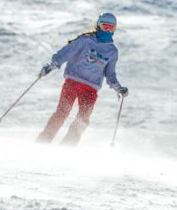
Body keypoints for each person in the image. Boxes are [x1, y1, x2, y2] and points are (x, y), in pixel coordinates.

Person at [36, 12, 128, 145]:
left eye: (111, 28)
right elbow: (66, 52)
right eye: (104, 27)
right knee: (62, 112)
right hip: (73, 82)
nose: (107, 30)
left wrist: (119, 88)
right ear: (98, 26)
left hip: (90, 89)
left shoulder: (112, 51)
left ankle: (68, 145)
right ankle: (44, 140)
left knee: (83, 118)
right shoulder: (85, 40)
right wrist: (52, 65)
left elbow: (110, 74)